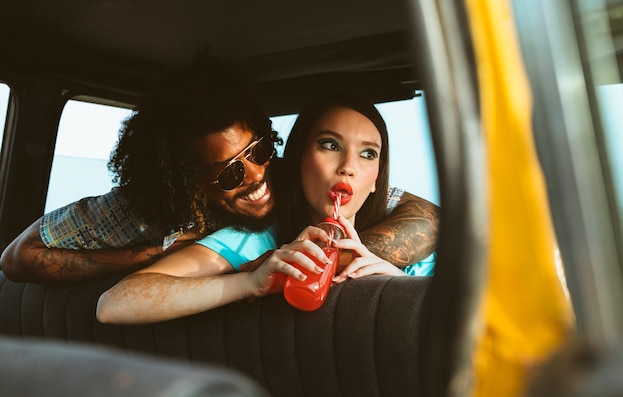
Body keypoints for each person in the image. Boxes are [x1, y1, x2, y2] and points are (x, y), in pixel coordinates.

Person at [0, 55, 439, 284]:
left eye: (261, 149)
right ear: (186, 180)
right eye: (230, 174)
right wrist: (152, 256)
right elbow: (19, 257)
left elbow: (427, 216)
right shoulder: (143, 211)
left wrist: (336, 260)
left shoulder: (290, 173)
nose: (256, 177)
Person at [96, 91, 436, 324]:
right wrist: (249, 282)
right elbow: (114, 304)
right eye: (329, 145)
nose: (348, 165)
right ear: (297, 158)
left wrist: (396, 285)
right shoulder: (254, 242)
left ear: (378, 178)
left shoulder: (417, 256)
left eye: (368, 153)